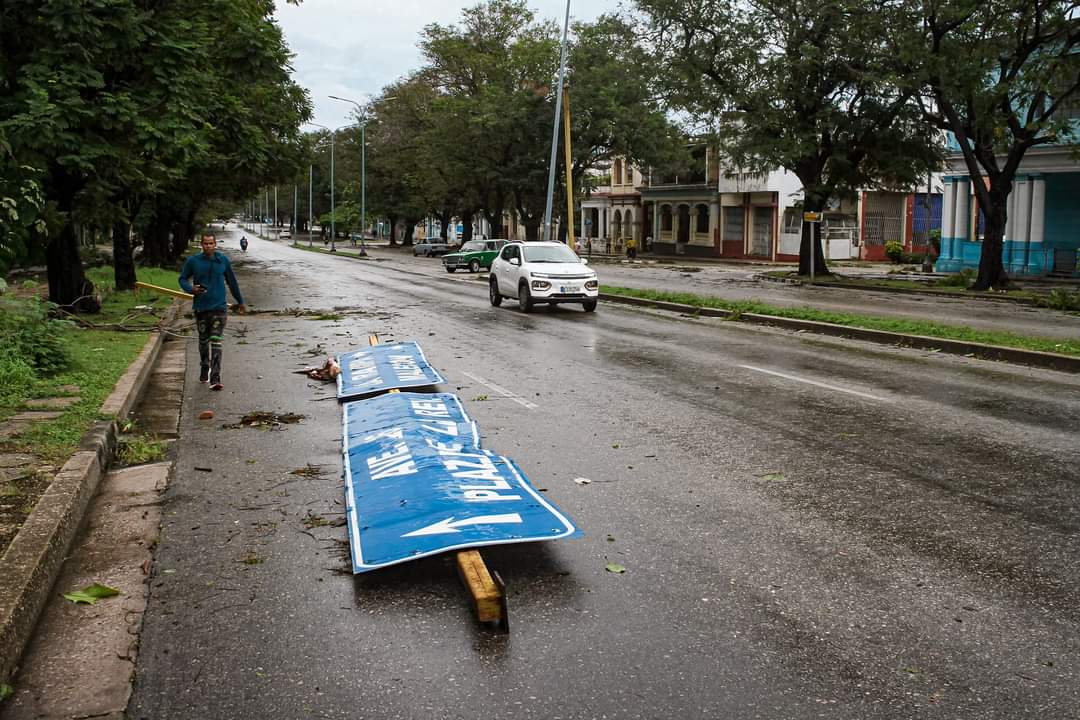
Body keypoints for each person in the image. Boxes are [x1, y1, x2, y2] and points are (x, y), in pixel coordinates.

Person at [179, 233, 246, 391]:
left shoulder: (222, 260)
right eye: (205, 243)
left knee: (216, 339)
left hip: (219, 308)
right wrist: (191, 289)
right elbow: (182, 279)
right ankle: (204, 366)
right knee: (203, 340)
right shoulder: (193, 261)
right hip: (201, 308)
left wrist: (240, 301)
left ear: (215, 244)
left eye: (211, 243)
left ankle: (215, 377)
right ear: (201, 245)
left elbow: (232, 282)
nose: (208, 246)